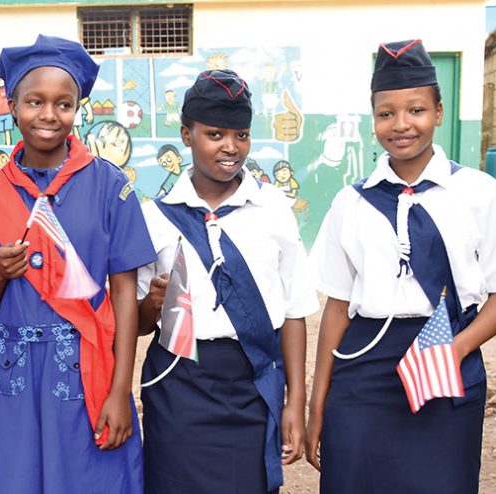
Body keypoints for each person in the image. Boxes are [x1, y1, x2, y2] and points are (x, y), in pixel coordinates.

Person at [307, 39, 496, 493]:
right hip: (362, 374)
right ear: (372, 119)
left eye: (415, 110)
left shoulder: (479, 193)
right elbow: (336, 309)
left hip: (445, 362)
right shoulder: (350, 203)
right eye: (386, 113)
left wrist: (454, 351)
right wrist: (318, 404)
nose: (401, 125)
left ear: (438, 112)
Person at [0, 35, 154, 494]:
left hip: (86, 368)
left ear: (78, 110)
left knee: (90, 477)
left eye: (63, 104)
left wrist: (119, 390)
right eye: (34, 102)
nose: (49, 115)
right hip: (11, 376)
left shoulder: (109, 185)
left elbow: (124, 291)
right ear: (11, 105)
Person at [136, 69, 317, 494]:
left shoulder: (272, 207)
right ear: (187, 134)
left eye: (242, 135)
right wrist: (154, 303)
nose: (230, 147)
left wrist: (295, 400)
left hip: (252, 384)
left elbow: (293, 312)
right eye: (215, 134)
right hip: (179, 386)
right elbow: (141, 322)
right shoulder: (154, 217)